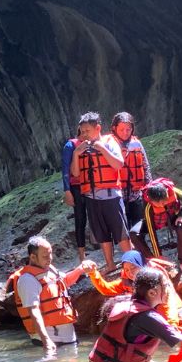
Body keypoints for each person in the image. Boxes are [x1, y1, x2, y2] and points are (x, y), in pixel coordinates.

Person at [5, 236, 95, 356]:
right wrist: (46, 341)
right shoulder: (27, 279)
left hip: (67, 339)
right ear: (32, 257)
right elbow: (34, 312)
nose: (50, 259)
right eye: (45, 256)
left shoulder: (50, 270)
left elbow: (66, 281)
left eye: (50, 254)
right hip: (50, 342)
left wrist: (80, 269)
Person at [70, 112, 130, 274]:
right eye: (82, 132)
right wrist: (76, 154)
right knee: (102, 233)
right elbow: (75, 173)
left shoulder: (109, 142)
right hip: (92, 198)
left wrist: (103, 149)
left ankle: (132, 262)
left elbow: (118, 164)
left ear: (98, 128)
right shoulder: (80, 149)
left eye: (87, 131)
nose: (83, 135)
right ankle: (110, 264)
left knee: (121, 232)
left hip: (111, 196)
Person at [87, 250, 182, 334]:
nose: (130, 272)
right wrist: (93, 273)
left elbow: (168, 305)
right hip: (161, 327)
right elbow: (106, 289)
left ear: (142, 265)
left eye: (133, 267)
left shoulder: (157, 281)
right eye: (127, 270)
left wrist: (171, 328)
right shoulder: (129, 282)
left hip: (180, 326)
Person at [112, 112, 153, 255]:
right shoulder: (111, 144)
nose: (125, 132)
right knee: (123, 224)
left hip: (136, 192)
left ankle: (141, 248)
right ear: (114, 128)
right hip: (118, 193)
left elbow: (145, 166)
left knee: (138, 222)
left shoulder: (137, 143)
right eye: (121, 129)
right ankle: (129, 253)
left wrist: (149, 186)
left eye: (128, 129)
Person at [141, 177, 182, 272]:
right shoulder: (148, 205)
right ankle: (153, 260)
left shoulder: (172, 190)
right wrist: (158, 256)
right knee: (134, 234)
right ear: (152, 201)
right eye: (158, 204)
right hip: (156, 221)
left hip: (172, 217)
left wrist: (181, 216)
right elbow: (151, 231)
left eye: (164, 202)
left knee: (181, 227)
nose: (162, 205)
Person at [62, 121, 92, 261]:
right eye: (83, 131)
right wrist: (67, 191)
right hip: (77, 187)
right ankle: (82, 256)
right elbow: (65, 169)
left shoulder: (94, 143)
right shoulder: (71, 145)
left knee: (96, 218)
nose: (86, 133)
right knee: (80, 219)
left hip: (93, 185)